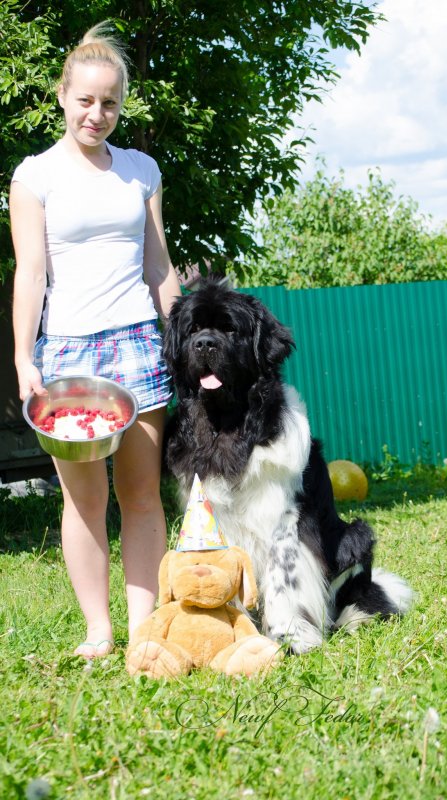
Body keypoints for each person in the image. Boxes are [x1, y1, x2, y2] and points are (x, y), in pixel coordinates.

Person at [10, 23, 182, 659]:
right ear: (62, 95)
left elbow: (157, 266)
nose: (97, 113)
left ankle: (144, 630)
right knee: (84, 504)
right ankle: (98, 631)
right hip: (69, 356)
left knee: (140, 495)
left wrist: (182, 338)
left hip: (138, 342)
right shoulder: (33, 178)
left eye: (110, 102)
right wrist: (24, 358)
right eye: (86, 100)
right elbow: (30, 274)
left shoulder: (141, 170)